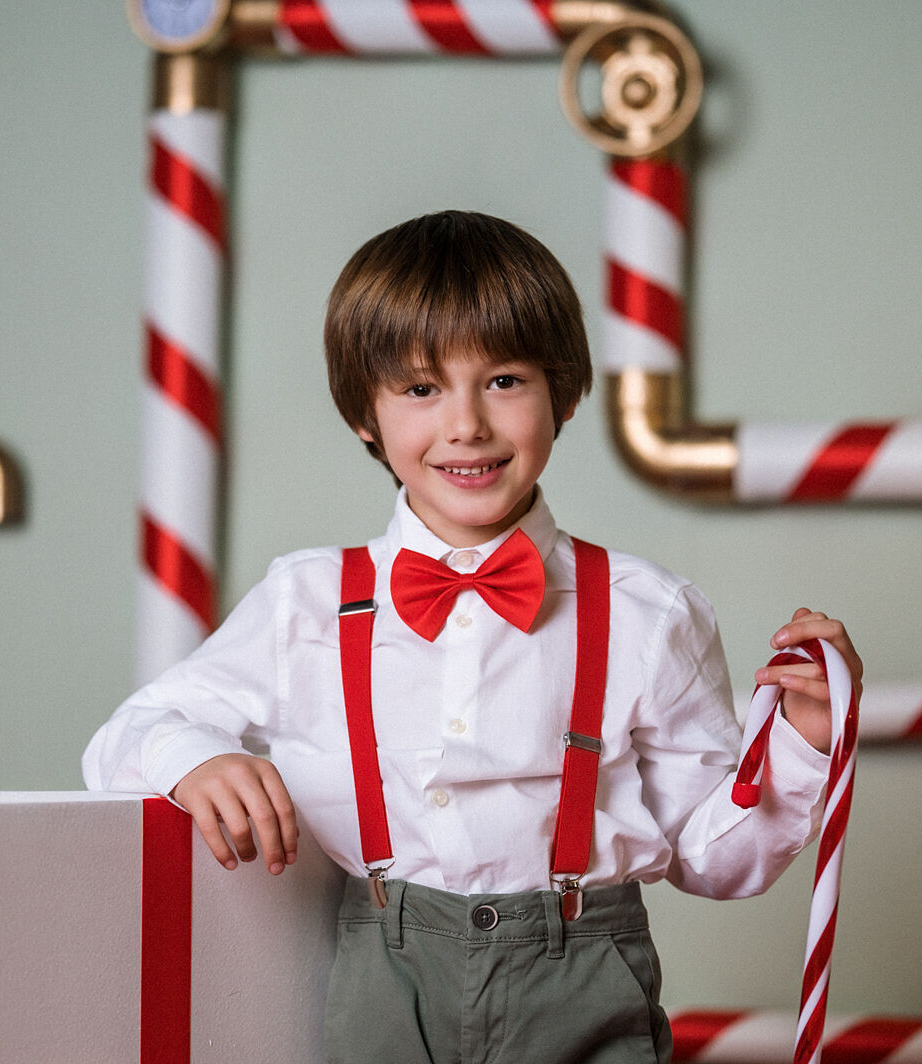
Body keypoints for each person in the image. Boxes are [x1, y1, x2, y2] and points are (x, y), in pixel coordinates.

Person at [83, 210, 862, 1063]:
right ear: (363, 417)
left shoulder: (650, 613)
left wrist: (800, 741)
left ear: (563, 393)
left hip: (583, 975)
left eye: (503, 381)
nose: (466, 426)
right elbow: (125, 737)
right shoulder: (303, 602)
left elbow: (715, 862)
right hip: (382, 976)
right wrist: (194, 758)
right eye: (421, 389)